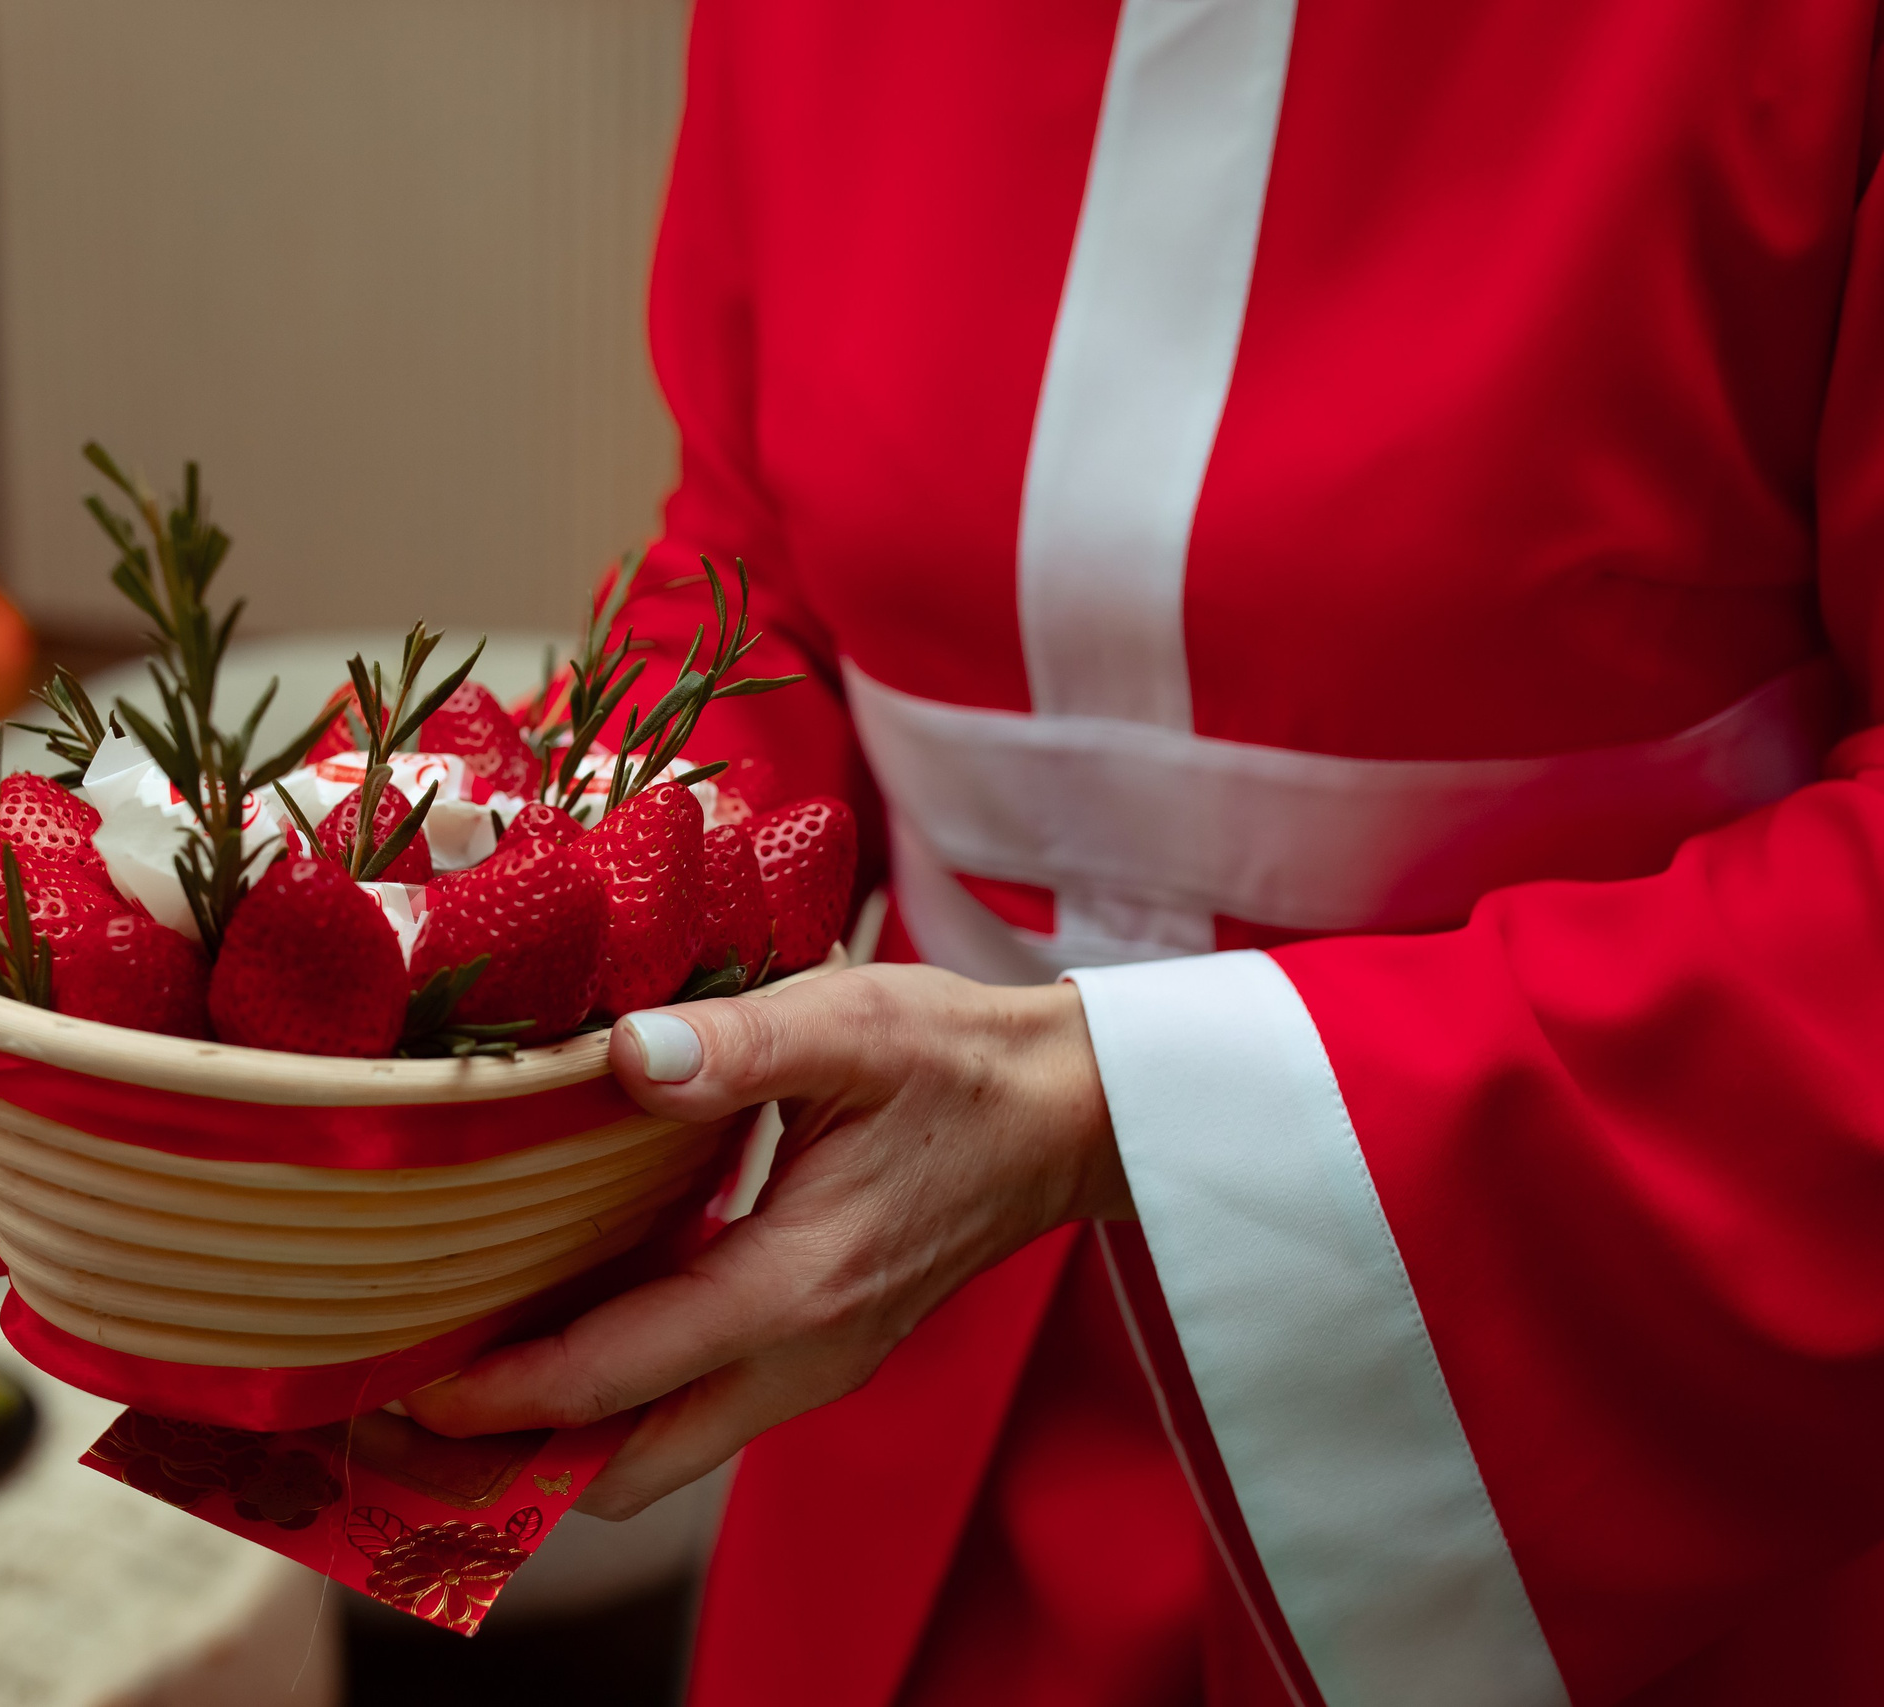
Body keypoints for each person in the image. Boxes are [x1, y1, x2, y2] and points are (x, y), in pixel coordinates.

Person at [405, 1, 1884, 1703]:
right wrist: (436, 966)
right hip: (901, 1379)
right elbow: (755, 582)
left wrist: (1136, 1103)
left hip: (1572, 1361)